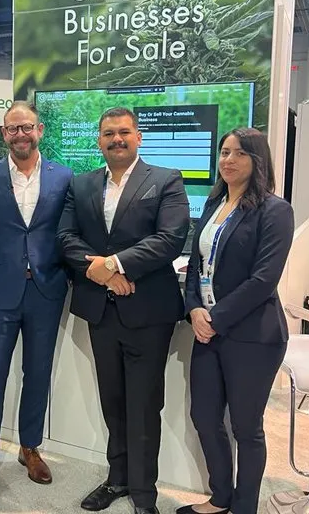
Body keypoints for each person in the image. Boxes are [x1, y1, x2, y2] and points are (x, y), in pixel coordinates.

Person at [57, 107, 190, 514]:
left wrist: (113, 265)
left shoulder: (166, 180)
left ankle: (144, 494)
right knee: (113, 401)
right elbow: (65, 237)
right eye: (109, 133)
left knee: (145, 405)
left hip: (148, 313)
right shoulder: (81, 184)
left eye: (124, 132)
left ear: (138, 137)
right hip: (102, 311)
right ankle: (117, 479)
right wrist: (102, 274)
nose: (117, 139)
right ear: (99, 140)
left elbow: (170, 238)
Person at [0, 101, 73, 509]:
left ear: (39, 130)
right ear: (3, 134)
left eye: (26, 127)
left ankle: (29, 447)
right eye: (12, 129)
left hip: (45, 291)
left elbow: (69, 233)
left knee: (37, 374)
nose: (20, 134)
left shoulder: (63, 177)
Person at [178, 128, 294, 514]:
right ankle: (221, 497)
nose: (228, 160)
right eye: (225, 152)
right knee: (205, 417)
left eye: (239, 153)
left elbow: (264, 280)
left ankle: (245, 507)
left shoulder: (275, 211)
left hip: (253, 335)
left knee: (246, 426)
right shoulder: (215, 203)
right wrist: (194, 308)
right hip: (207, 330)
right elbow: (197, 265)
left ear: (257, 160)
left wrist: (215, 317)